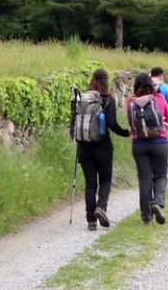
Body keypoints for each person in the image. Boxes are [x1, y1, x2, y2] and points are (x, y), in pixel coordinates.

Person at [74, 68, 130, 231]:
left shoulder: (81, 98)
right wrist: (127, 133)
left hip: (83, 146)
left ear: (93, 80)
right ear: (106, 80)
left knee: (90, 184)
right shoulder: (107, 99)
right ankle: (101, 207)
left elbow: (74, 123)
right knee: (105, 179)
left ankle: (91, 220)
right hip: (103, 147)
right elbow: (111, 124)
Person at [126, 72, 168, 225]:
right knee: (161, 175)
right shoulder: (159, 98)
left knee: (145, 179)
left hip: (139, 144)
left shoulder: (130, 102)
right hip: (160, 142)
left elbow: (130, 124)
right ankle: (157, 203)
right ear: (151, 85)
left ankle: (146, 218)